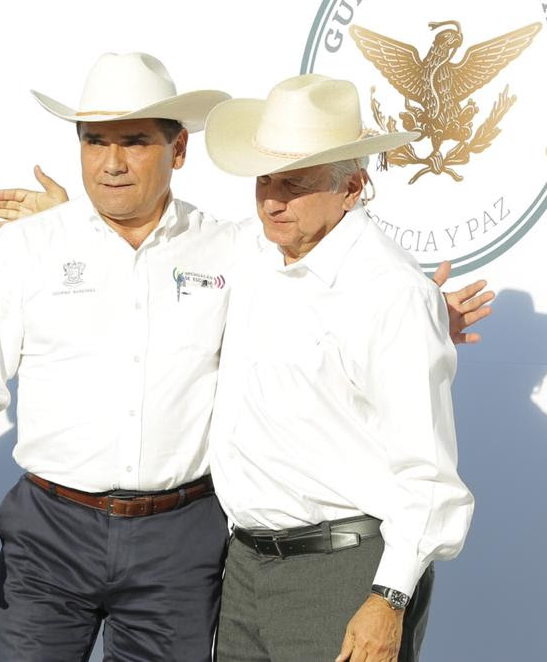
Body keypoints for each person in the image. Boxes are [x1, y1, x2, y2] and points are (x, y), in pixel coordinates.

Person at [0, 54, 493, 660]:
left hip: (185, 545)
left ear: (178, 150)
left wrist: (419, 312)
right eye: (95, 141)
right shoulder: (37, 248)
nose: (112, 162)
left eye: (134, 142)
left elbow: (345, 281)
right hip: (56, 534)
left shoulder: (233, 247)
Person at [202, 74, 473, 662]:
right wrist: (72, 223)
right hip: (243, 569)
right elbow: (167, 246)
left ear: (351, 188)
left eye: (295, 183)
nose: (272, 200)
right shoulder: (252, 251)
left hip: (345, 574)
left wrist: (388, 598)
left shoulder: (391, 294)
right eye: (264, 179)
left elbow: (427, 472)